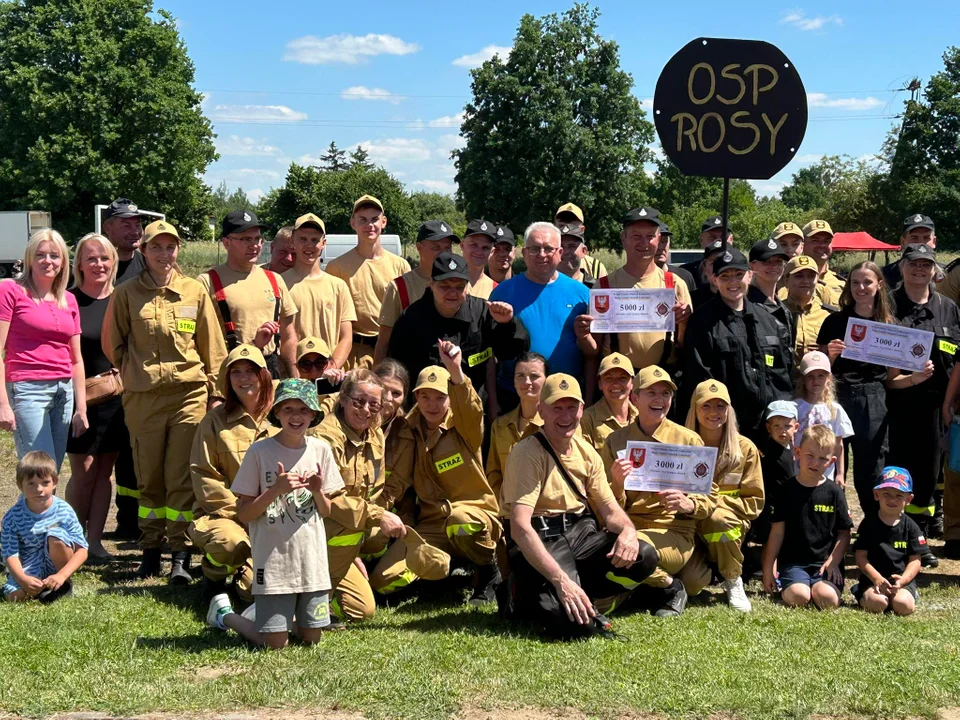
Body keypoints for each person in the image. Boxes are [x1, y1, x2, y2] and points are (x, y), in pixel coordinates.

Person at [104, 219, 227, 582]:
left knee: (181, 476)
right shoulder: (126, 294)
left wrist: (216, 395)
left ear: (178, 251)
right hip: (143, 399)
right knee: (149, 476)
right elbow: (114, 345)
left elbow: (213, 347)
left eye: (170, 247)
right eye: (156, 247)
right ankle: (150, 549)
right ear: (144, 251)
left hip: (188, 395)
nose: (164, 254)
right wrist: (134, 372)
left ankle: (180, 555)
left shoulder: (195, 291)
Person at [502, 373, 657, 638]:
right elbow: (519, 528)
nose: (565, 416)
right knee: (575, 626)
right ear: (541, 410)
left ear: (581, 409)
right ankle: (521, 592)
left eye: (571, 407)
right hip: (542, 538)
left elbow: (609, 510)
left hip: (581, 534)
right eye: (556, 408)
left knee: (644, 556)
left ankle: (583, 595)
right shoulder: (527, 453)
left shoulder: (587, 452)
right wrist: (560, 580)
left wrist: (629, 532)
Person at [207, 379, 343, 649]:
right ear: (277, 412)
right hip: (274, 564)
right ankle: (225, 615)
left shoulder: (321, 450)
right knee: (275, 644)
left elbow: (325, 512)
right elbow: (245, 514)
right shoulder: (260, 451)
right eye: (289, 408)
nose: (296, 416)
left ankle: (274, 616)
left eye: (304, 410)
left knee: (311, 640)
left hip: (311, 562)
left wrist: (317, 491)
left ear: (314, 415)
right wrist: (275, 490)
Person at [372, 343, 501, 603]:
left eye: (440, 397)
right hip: (432, 524)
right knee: (383, 581)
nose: (432, 404)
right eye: (424, 396)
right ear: (416, 398)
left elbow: (471, 407)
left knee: (461, 521)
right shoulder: (408, 428)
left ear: (450, 398)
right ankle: (445, 574)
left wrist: (456, 372)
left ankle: (488, 573)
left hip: (472, 514)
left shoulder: (464, 426)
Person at [601, 366, 714, 617]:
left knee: (632, 550)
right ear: (634, 398)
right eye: (651, 392)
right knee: (605, 548)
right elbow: (605, 502)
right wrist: (617, 484)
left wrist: (688, 505)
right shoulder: (616, 441)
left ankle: (669, 588)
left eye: (665, 394)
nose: (659, 400)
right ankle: (664, 585)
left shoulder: (689, 440)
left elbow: (709, 499)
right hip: (627, 525)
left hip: (673, 530)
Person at [886, 243, 959, 566]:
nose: (920, 269)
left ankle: (918, 536)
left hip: (935, 404)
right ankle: (890, 533)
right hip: (896, 402)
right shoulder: (887, 305)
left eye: (926, 264)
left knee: (929, 475)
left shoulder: (948, 308)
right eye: (913, 263)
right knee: (896, 470)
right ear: (902, 267)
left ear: (935, 270)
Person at [314, 370, 407, 623]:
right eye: (358, 401)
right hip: (315, 533)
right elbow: (330, 498)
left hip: (345, 535)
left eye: (373, 405)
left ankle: (329, 584)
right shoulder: (325, 437)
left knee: (362, 611)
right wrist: (378, 515)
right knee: (359, 528)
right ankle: (315, 597)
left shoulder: (374, 433)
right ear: (343, 399)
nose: (365, 410)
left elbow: (374, 490)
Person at [189, 344, 275, 601]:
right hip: (227, 517)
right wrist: (245, 514)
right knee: (229, 543)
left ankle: (246, 576)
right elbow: (205, 478)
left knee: (254, 592)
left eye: (251, 371)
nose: (243, 378)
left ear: (264, 375)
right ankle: (215, 574)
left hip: (276, 518)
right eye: (235, 372)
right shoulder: (214, 422)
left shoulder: (284, 415)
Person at [388, 252, 525, 408]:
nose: (452, 293)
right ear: (431, 284)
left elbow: (512, 352)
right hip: (426, 410)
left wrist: (506, 324)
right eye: (445, 286)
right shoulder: (411, 319)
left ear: (467, 286)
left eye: (459, 287)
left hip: (473, 407)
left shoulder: (483, 312)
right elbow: (398, 370)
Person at [682, 248, 793, 438]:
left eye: (739, 275)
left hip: (768, 424)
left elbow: (781, 373)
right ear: (714, 280)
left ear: (750, 276)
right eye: (725, 276)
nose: (733, 282)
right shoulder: (702, 321)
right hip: (724, 424)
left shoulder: (767, 320)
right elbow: (700, 375)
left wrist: (780, 413)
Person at [575, 208, 691, 387]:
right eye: (636, 236)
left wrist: (684, 323)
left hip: (662, 382)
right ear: (624, 239)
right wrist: (583, 336)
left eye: (650, 236)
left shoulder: (674, 284)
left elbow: (686, 347)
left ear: (659, 239)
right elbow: (593, 351)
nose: (644, 243)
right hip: (617, 384)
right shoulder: (605, 286)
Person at [0, 229, 86, 470]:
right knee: (39, 472)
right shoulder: (11, 290)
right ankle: (26, 510)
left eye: (54, 255)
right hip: (27, 390)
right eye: (41, 255)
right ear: (29, 258)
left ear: (63, 262)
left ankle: (35, 510)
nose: (48, 261)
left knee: (52, 473)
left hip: (64, 391)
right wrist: (3, 404)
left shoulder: (68, 299)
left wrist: (81, 408)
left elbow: (76, 360)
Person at [817, 261, 895, 515]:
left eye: (867, 282)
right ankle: (830, 522)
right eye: (854, 282)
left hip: (873, 398)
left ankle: (874, 523)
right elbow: (818, 369)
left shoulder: (890, 324)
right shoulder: (835, 321)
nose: (860, 288)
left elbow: (893, 377)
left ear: (879, 285)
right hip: (837, 395)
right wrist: (829, 355)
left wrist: (918, 375)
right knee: (829, 460)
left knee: (871, 466)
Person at [489, 223, 593, 411]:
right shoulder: (502, 293)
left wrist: (590, 399)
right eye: (535, 249)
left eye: (548, 249)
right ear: (524, 252)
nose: (542, 254)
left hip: (565, 398)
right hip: (515, 398)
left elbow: (591, 355)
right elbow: (490, 352)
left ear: (560, 252)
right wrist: (493, 401)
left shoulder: (582, 294)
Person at [679, 380, 763, 612]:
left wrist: (711, 505)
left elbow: (754, 502)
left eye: (720, 406)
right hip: (690, 526)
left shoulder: (745, 449)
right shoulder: (681, 445)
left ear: (729, 411)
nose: (713, 412)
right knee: (691, 584)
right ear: (694, 409)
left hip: (726, 526)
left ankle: (732, 578)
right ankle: (702, 569)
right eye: (706, 406)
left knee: (717, 520)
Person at [66, 234, 124, 560]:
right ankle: (73, 541)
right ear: (79, 265)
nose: (99, 264)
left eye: (104, 258)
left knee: (104, 473)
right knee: (83, 471)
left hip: (117, 400)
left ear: (113, 262)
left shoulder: (122, 298)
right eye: (91, 258)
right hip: (80, 399)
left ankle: (95, 542)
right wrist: (77, 404)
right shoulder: (68, 299)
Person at [762, 425, 852, 609]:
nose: (815, 463)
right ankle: (796, 586)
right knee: (799, 596)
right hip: (794, 563)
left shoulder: (835, 492)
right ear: (797, 452)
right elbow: (777, 533)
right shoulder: (785, 490)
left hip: (825, 563)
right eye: (809, 456)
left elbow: (844, 533)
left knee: (827, 599)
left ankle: (822, 587)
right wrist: (768, 569)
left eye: (822, 459)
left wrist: (833, 562)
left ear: (832, 461)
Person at [199, 210, 298, 378]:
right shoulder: (207, 282)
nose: (255, 245)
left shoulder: (274, 280)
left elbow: (289, 336)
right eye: (246, 239)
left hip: (270, 369)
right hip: (231, 369)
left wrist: (294, 379)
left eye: (257, 238)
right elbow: (203, 341)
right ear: (226, 242)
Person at [100, 199, 145, 537]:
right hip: (100, 375)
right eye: (125, 223)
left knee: (135, 452)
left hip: (136, 375)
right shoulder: (99, 266)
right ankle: (122, 519)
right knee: (106, 456)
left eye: (136, 223)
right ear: (108, 228)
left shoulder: (148, 266)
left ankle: (134, 519)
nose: (134, 229)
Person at [327, 195, 410, 370]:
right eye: (362, 220)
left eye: (374, 219)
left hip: (392, 351)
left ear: (384, 222)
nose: (369, 225)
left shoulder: (400, 266)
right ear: (353, 223)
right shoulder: (337, 267)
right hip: (354, 352)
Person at [2, 451, 88, 603]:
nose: (39, 489)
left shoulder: (64, 510)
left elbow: (82, 550)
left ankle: (63, 585)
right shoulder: (12, 517)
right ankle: (39, 589)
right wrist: (23, 579)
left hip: (58, 566)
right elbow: (10, 554)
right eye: (31, 484)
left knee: (55, 535)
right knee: (13, 596)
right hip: (29, 566)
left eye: (45, 482)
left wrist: (61, 575)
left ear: (55, 482)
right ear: (19, 485)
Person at [375, 220, 458, 363]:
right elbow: (384, 342)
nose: (443, 254)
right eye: (436, 247)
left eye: (447, 247)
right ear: (419, 247)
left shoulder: (459, 285)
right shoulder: (399, 287)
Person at [282, 213, 355, 370]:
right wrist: (295, 371)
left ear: (324, 243)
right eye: (303, 239)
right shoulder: (279, 284)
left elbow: (346, 337)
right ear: (292, 241)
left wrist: (331, 368)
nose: (309, 245)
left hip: (328, 379)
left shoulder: (338, 286)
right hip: (293, 376)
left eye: (315, 240)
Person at [853, 467, 923, 616]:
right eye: (886, 494)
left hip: (901, 581)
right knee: (877, 604)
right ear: (876, 494)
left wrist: (903, 580)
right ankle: (859, 592)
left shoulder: (911, 526)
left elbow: (915, 560)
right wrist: (876, 578)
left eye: (899, 495)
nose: (892, 499)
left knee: (903, 606)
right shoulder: (868, 524)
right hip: (872, 580)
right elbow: (860, 556)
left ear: (908, 499)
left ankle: (910, 595)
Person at [487, 352, 548, 501]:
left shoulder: (559, 425)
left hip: (548, 514)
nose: (527, 382)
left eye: (534, 376)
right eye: (520, 376)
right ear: (513, 382)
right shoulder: (500, 426)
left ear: (547, 381)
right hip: (508, 513)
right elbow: (493, 474)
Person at [793, 351, 853, 484]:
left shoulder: (835, 410)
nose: (816, 381)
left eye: (821, 376)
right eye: (810, 376)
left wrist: (841, 473)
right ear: (802, 378)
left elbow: (838, 444)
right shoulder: (795, 406)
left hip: (825, 473)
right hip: (797, 471)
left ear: (829, 378)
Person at [749, 400, 799, 546]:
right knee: (770, 539)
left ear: (796, 427)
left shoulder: (789, 447)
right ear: (768, 428)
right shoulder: (768, 451)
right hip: (771, 505)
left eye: (787, 426)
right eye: (776, 426)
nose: (782, 430)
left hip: (784, 502)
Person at [782, 255, 836, 363]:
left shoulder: (829, 316)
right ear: (786, 280)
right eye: (799, 276)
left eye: (811, 276)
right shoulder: (775, 313)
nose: (805, 281)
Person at [580, 353, 638, 453]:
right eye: (609, 379)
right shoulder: (587, 419)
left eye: (622, 378)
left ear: (632, 383)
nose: (615, 384)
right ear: (600, 384)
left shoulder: (641, 416)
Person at [747, 238, 793, 339]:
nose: (773, 266)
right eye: (766, 262)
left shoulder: (783, 308)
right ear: (752, 266)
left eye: (778, 262)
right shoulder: (746, 306)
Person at [883, 214, 938, 290]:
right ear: (902, 241)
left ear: (934, 242)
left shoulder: (946, 275)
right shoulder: (885, 275)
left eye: (926, 238)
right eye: (914, 238)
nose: (920, 243)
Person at [554, 202, 607, 280]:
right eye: (561, 225)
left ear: (582, 229)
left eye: (572, 226)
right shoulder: (545, 264)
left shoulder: (595, 268)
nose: (566, 229)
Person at [679, 215, 733, 290]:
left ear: (731, 239)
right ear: (701, 240)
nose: (718, 242)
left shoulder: (743, 273)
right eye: (712, 238)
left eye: (723, 237)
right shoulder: (686, 274)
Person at [100, 197, 146, 284]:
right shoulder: (95, 269)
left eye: (138, 225)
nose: (135, 232)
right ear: (108, 228)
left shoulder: (148, 265)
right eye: (126, 226)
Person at [802, 220, 844, 306]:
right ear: (803, 244)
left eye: (826, 241)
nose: (822, 245)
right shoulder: (789, 279)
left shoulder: (842, 284)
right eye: (815, 241)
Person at [461, 220, 499, 299]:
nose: (479, 251)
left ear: (492, 252)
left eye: (485, 248)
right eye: (473, 245)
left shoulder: (496, 289)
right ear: (462, 246)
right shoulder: (447, 282)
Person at [653, 225, 696, 291]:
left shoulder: (684, 276)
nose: (660, 247)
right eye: (657, 242)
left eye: (664, 241)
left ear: (669, 244)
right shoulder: (636, 279)